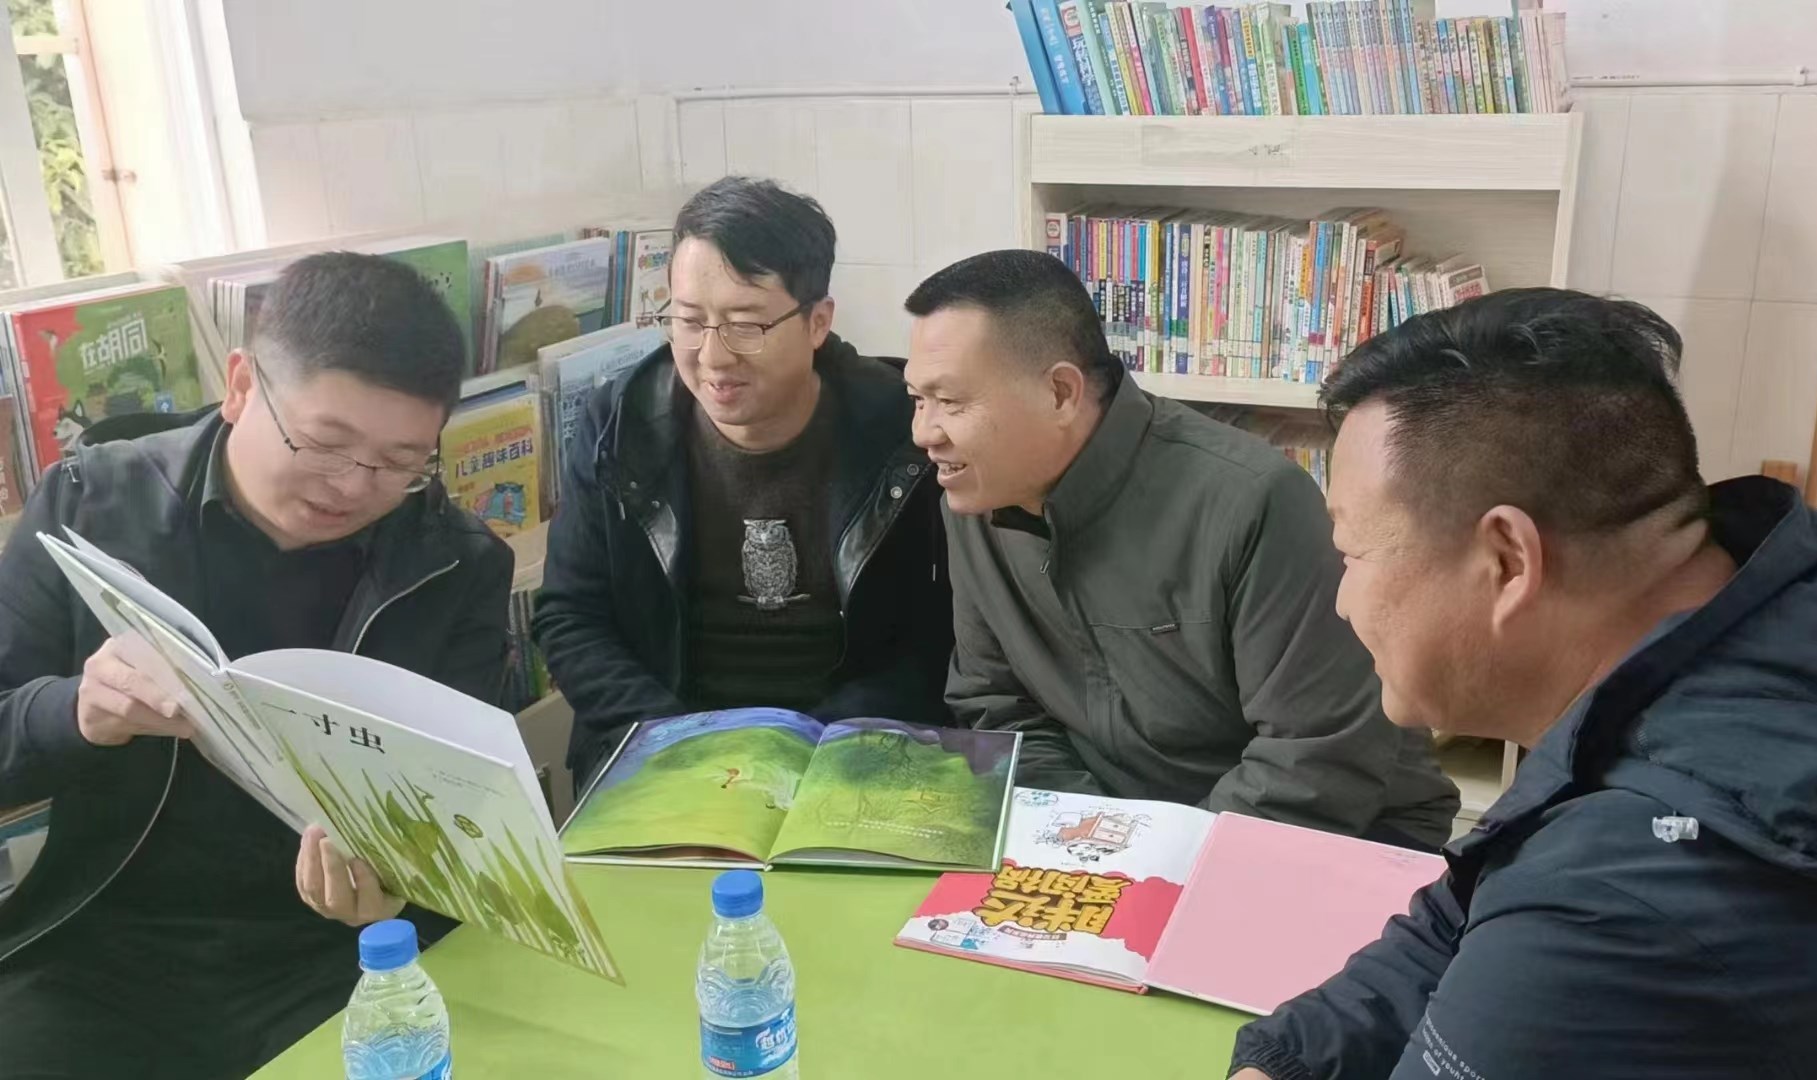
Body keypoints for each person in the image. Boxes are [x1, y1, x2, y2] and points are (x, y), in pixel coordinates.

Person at [1229, 288, 1817, 1080]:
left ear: (1507, 561)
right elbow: (1463, 908)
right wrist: (1288, 1059)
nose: (1341, 601)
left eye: (1352, 554)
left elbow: (1548, 912)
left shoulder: (1613, 896)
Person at [0, 253, 513, 1078]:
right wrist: (76, 713)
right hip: (103, 945)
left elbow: (469, 807)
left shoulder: (457, 564)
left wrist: (400, 889)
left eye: (399, 462)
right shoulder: (90, 502)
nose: (353, 487)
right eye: (325, 443)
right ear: (241, 385)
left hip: (337, 954)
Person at [906, 249, 1458, 850]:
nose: (923, 432)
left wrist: (1155, 860)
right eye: (917, 399)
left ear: (1061, 392)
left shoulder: (1252, 500)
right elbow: (997, 706)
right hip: (1113, 845)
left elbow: (1317, 756)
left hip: (1327, 836)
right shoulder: (977, 500)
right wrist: (1086, 841)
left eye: (951, 402)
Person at [534, 177, 952, 788]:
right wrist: (680, 742)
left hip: (851, 753)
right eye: (688, 321)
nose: (713, 356)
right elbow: (571, 617)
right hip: (663, 752)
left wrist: (815, 748)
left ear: (817, 322)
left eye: (746, 325)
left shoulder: (903, 432)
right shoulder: (619, 425)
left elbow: (939, 633)